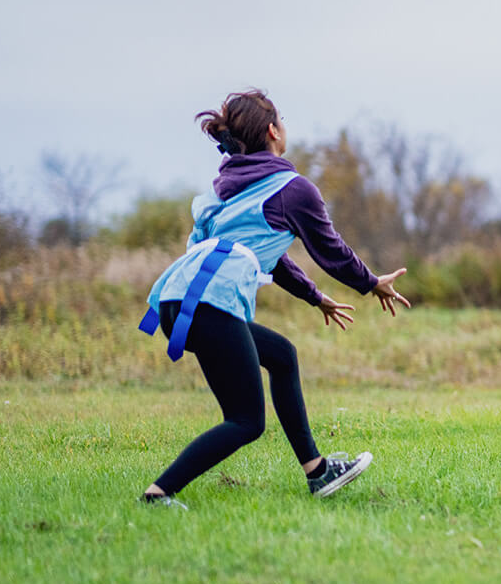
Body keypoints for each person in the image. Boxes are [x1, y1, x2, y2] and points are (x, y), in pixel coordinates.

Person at [137, 90, 411, 507]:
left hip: (179, 300)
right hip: (209, 303)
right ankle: (158, 493)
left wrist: (315, 297)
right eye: (282, 119)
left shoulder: (231, 192)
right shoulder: (291, 189)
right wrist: (371, 282)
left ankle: (317, 471)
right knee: (246, 421)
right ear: (272, 130)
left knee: (282, 356)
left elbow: (272, 258)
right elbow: (331, 251)